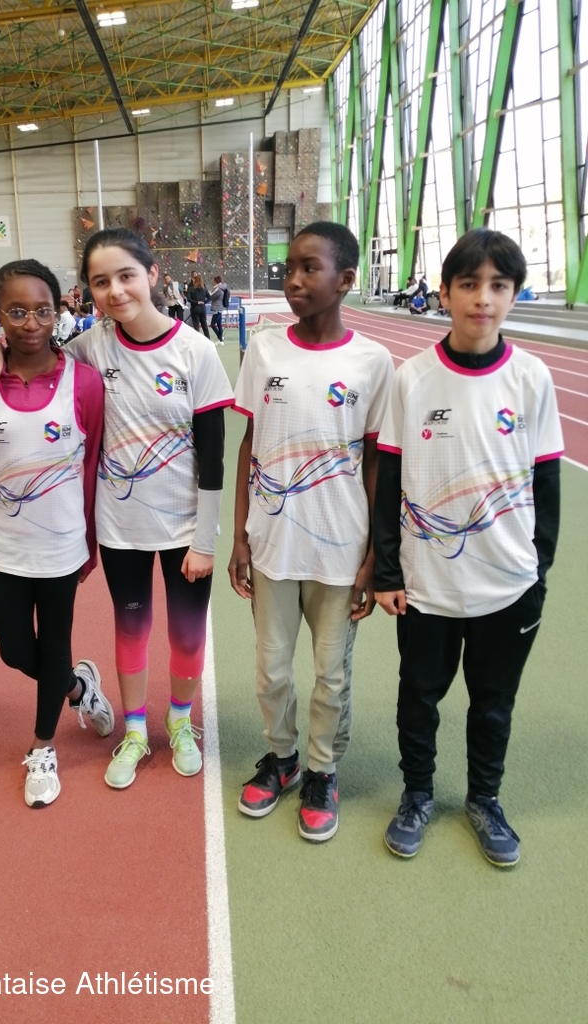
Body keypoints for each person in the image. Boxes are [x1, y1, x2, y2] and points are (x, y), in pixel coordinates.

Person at [0, 227, 234, 790]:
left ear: (152, 275)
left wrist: (205, 539)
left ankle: (180, 722)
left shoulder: (195, 351)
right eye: (100, 281)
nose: (115, 290)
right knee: (131, 630)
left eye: (126, 276)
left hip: (185, 529)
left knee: (187, 636)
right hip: (120, 528)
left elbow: (213, 458)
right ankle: (135, 730)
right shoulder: (91, 347)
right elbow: (33, 350)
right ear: (88, 290)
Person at [374, 229, 563, 868]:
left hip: (508, 585)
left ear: (513, 294)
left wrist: (537, 571)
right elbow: (390, 479)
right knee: (418, 698)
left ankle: (485, 799)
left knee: (493, 705)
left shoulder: (532, 378)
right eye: (469, 284)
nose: (483, 298)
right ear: (445, 293)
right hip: (427, 585)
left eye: (498, 286)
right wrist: (386, 571)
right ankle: (418, 795)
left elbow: (546, 485)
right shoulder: (412, 378)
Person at [229, 221, 394, 842]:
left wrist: (374, 552)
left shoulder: (372, 362)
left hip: (340, 547)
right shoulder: (264, 350)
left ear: (346, 279)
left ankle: (323, 770)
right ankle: (283, 758)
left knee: (331, 675)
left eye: (309, 268)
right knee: (271, 669)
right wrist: (240, 535)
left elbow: (375, 460)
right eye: (290, 268)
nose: (293, 280)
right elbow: (249, 444)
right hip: (272, 542)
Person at [0, 258, 112, 808]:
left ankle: (43, 748)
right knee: (14, 652)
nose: (31, 323)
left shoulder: (84, 383)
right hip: (3, 549)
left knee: (53, 645)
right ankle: (78, 686)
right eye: (17, 311)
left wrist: (89, 545)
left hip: (61, 547)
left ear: (59, 311)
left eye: (43, 311)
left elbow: (91, 467)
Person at [188, 273, 210, 338]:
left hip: (195, 308)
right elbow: (209, 297)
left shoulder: (191, 288)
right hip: (202, 308)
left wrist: (196, 302)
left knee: (196, 325)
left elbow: (189, 299)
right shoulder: (204, 288)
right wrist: (204, 302)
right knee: (204, 324)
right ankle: (208, 338)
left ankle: (197, 339)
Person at [209, 275, 228, 344]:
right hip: (219, 307)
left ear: (216, 281)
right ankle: (221, 338)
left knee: (212, 324)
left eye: (213, 280)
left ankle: (220, 338)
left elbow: (211, 296)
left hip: (217, 308)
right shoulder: (221, 288)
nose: (212, 282)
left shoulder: (218, 289)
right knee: (219, 324)